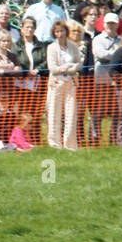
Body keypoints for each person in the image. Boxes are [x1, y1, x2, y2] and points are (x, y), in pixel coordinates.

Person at [46, 20, 81, 150]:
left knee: (71, 114)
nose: (60, 34)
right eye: (57, 32)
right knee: (54, 113)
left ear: (66, 31)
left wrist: (72, 68)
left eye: (62, 31)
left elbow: (79, 63)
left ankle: (70, 144)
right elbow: (53, 68)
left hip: (71, 83)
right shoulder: (51, 47)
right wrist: (68, 67)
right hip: (56, 84)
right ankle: (55, 143)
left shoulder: (73, 46)